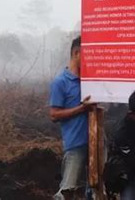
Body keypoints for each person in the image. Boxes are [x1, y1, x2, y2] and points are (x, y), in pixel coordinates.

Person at [49, 36, 95, 200]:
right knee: (67, 190)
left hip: (96, 143)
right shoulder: (60, 82)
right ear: (76, 53)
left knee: (96, 188)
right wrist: (81, 109)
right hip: (75, 143)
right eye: (88, 55)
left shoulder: (90, 80)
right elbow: (54, 115)